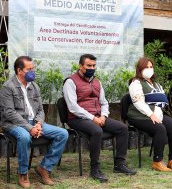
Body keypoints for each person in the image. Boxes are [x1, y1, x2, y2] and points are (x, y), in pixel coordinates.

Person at [63, 54, 136, 183]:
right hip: (77, 118)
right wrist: (92, 118)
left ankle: (119, 164)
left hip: (98, 116)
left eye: (94, 65)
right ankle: (95, 168)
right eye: (88, 66)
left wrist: (103, 115)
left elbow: (104, 102)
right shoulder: (70, 81)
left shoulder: (97, 81)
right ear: (80, 66)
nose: (92, 68)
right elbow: (72, 107)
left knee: (122, 128)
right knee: (97, 131)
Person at [0, 56, 68, 188]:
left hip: (33, 123)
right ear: (19, 70)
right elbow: (9, 113)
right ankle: (23, 173)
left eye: (33, 68)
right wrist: (29, 128)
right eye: (29, 69)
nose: (33, 71)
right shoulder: (8, 87)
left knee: (63, 133)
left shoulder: (34, 86)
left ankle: (44, 168)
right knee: (24, 136)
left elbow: (41, 109)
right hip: (13, 124)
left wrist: (38, 123)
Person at [127, 57, 172, 172]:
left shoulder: (156, 84)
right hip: (138, 116)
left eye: (151, 67)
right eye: (146, 67)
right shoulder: (135, 83)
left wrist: (157, 114)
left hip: (156, 114)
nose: (149, 69)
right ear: (140, 69)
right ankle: (157, 161)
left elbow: (160, 102)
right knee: (160, 129)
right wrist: (151, 115)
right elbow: (138, 103)